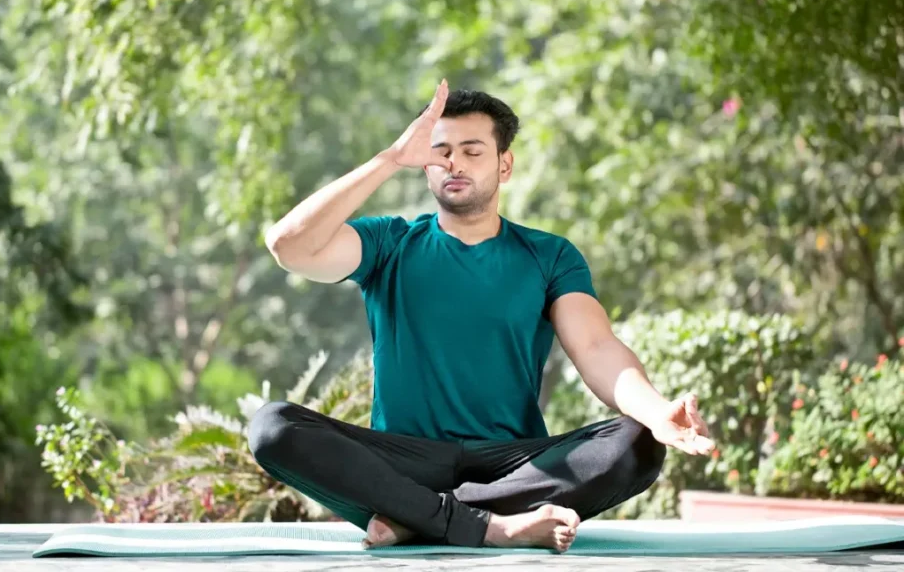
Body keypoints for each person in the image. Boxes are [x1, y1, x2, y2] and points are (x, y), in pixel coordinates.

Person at [249, 79, 716, 553]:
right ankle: (488, 526)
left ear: (504, 164)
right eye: (440, 151)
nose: (453, 162)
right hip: (404, 458)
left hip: (515, 466)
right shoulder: (389, 243)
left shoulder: (549, 255)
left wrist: (657, 412)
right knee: (273, 427)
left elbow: (596, 347)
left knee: (635, 441)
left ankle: (419, 515)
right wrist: (389, 159)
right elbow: (289, 246)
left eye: (473, 151)